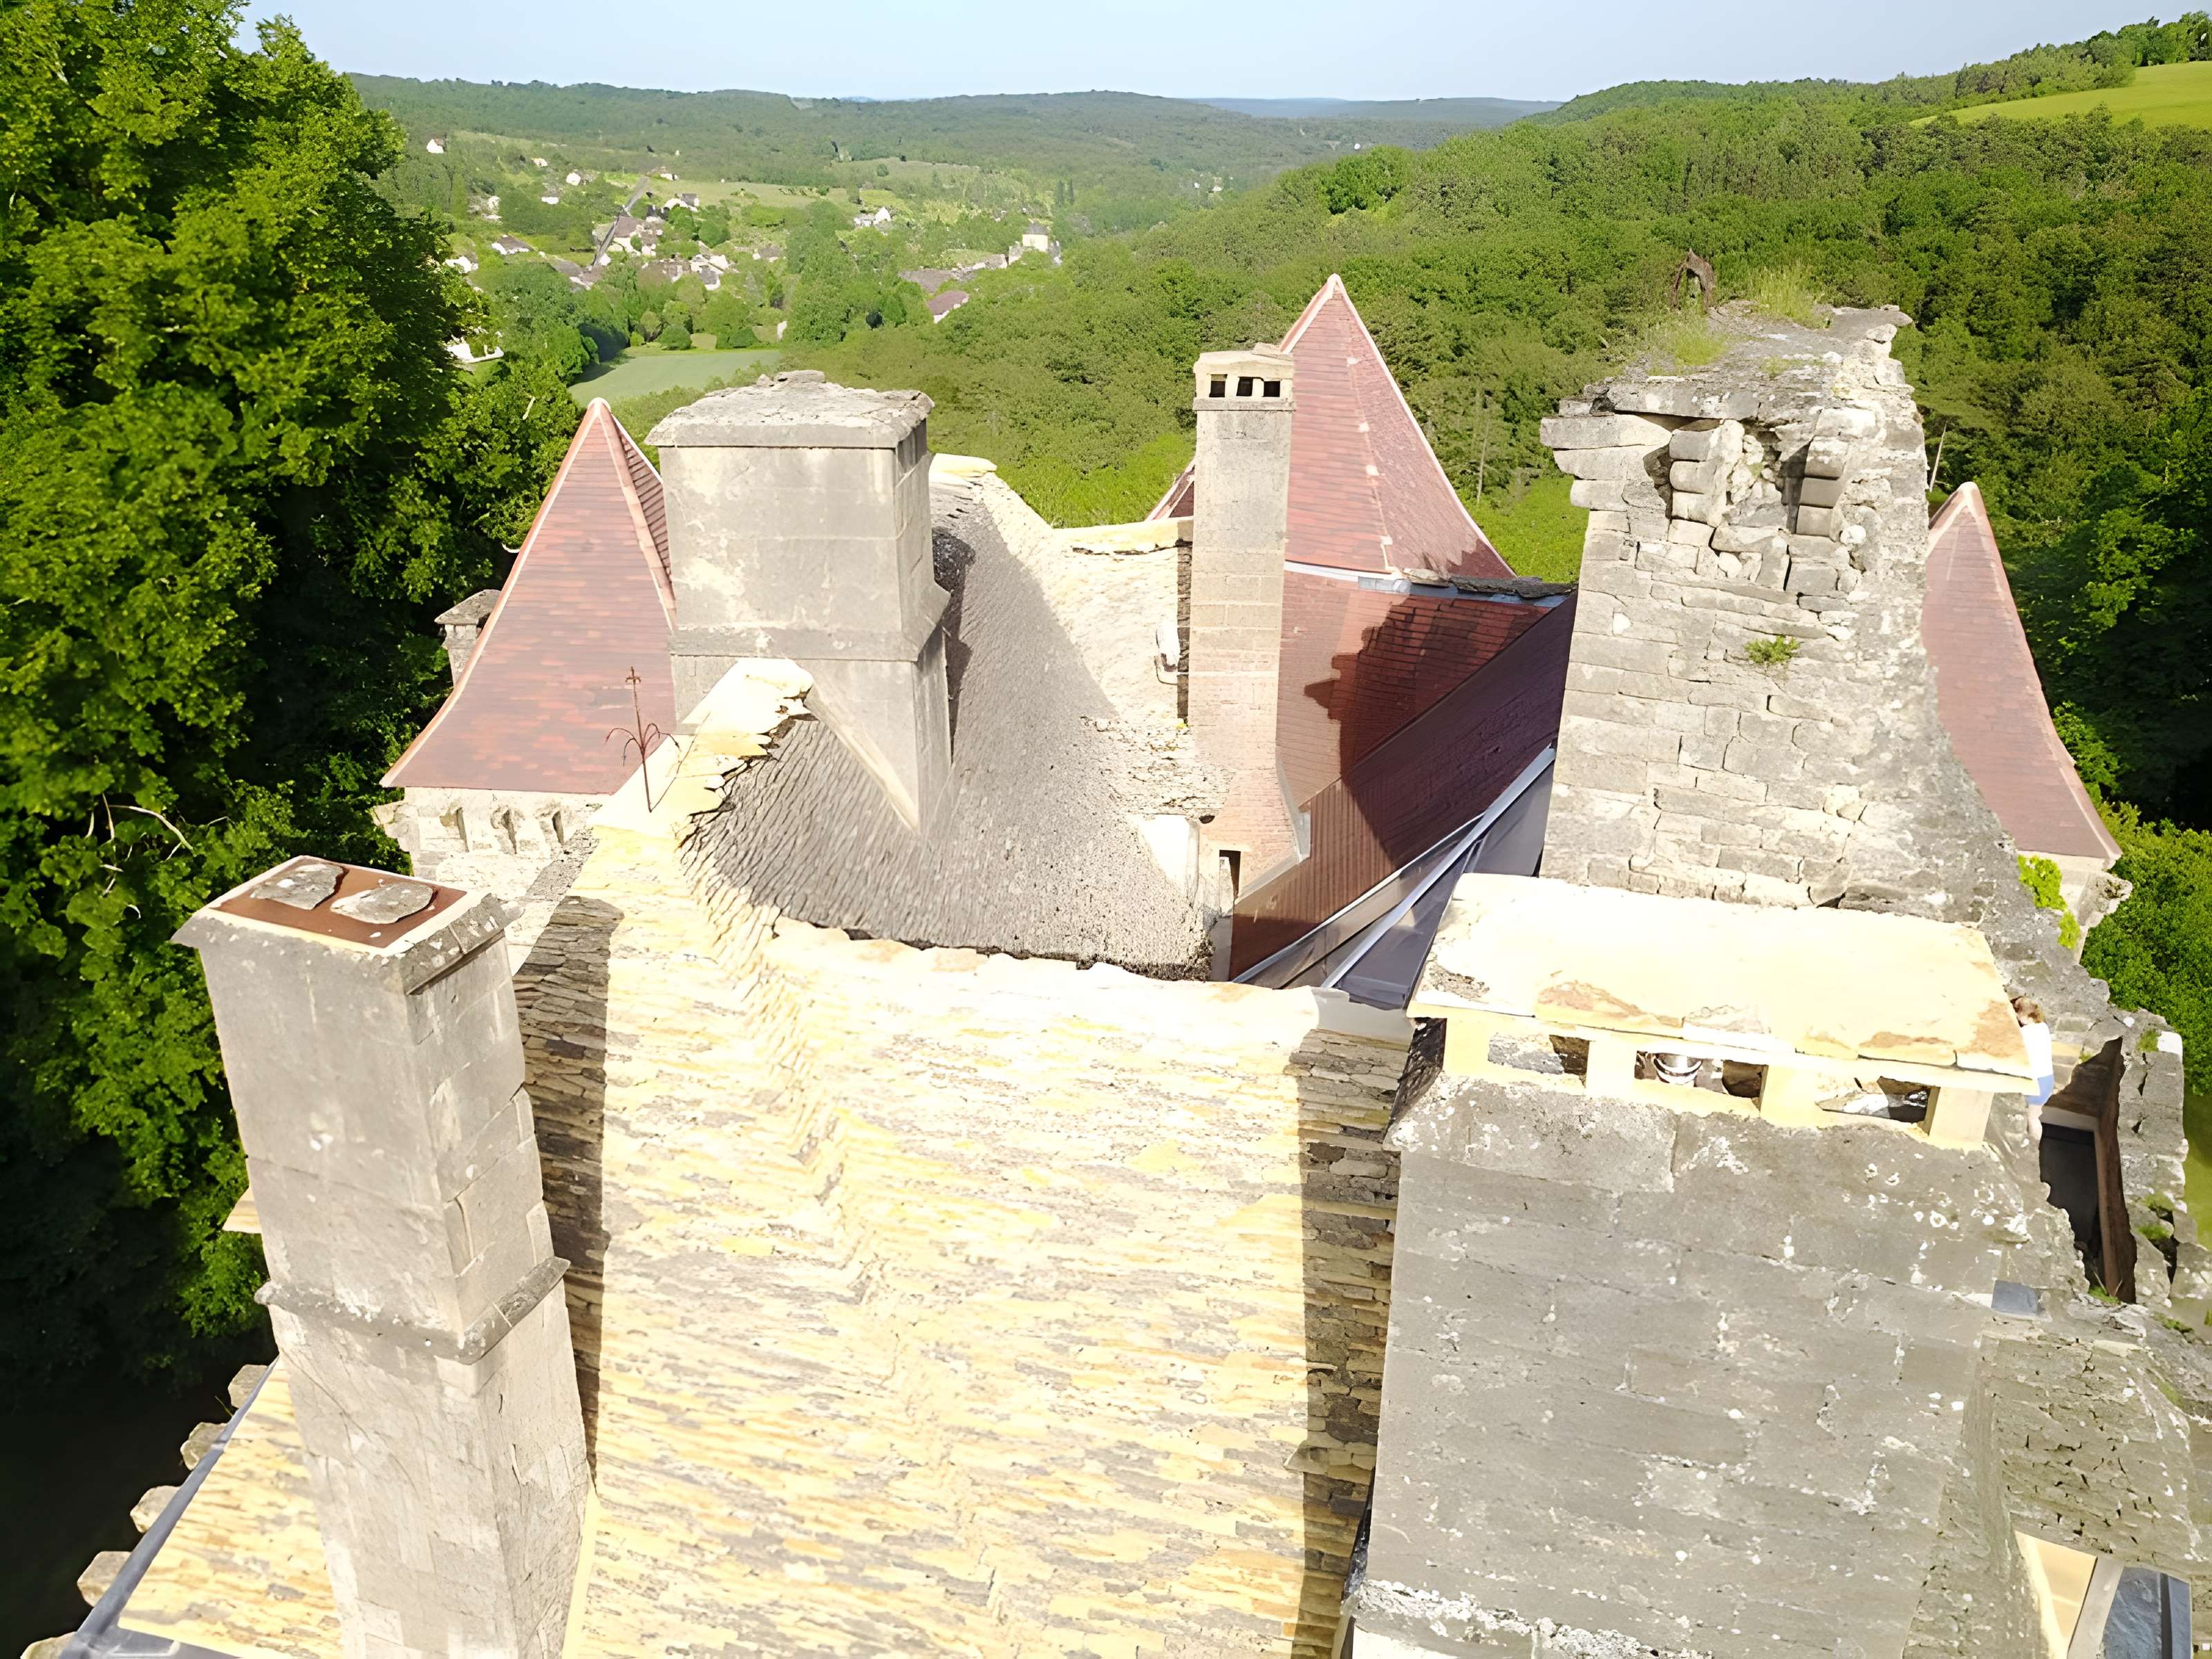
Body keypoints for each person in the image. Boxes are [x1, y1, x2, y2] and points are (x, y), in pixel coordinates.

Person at [2014, 996, 2055, 1140]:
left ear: (2025, 1015)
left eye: (2018, 1012)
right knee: (2035, 1114)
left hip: (2037, 1082)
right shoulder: (2043, 1027)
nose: (2017, 1016)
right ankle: (2035, 1143)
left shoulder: (2026, 1033)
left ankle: (2034, 1144)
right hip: (2047, 1080)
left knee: (2031, 1118)